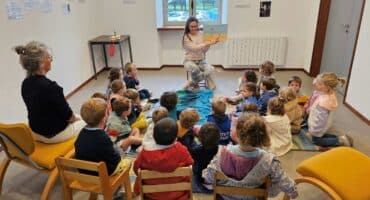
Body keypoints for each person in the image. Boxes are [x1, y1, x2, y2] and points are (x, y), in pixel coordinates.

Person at [202, 114, 298, 200]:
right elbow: (285, 183)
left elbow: (207, 178)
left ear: (237, 133)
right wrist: (293, 191)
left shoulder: (221, 153)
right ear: (262, 136)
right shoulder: (269, 161)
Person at [16, 41, 85, 143]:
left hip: (35, 132)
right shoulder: (52, 88)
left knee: (77, 118)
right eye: (48, 57)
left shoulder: (25, 84)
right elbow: (69, 116)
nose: (51, 60)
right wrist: (76, 120)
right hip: (53, 135)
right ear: (41, 63)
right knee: (87, 122)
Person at [133, 118, 194, 200]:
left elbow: (136, 169)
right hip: (179, 196)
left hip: (152, 196)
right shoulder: (181, 150)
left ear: (154, 136)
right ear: (175, 137)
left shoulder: (144, 153)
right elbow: (190, 163)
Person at [75, 98, 130, 176]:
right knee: (127, 162)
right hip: (102, 174)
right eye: (107, 113)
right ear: (104, 118)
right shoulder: (103, 138)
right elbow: (116, 159)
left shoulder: (81, 133)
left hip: (84, 172)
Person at [306, 72, 353, 147]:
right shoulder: (329, 93)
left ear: (327, 87)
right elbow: (317, 82)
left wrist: (313, 131)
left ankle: (339, 140)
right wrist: (319, 81)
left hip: (319, 125)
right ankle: (342, 138)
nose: (316, 84)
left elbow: (321, 120)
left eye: (319, 84)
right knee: (320, 134)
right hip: (325, 123)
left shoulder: (323, 103)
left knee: (316, 140)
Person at [182, 16, 219, 90]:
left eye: (195, 26)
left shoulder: (201, 34)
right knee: (195, 69)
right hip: (189, 60)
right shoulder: (186, 36)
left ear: (198, 25)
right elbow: (194, 48)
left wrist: (209, 44)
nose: (194, 28)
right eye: (191, 26)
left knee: (210, 69)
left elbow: (204, 50)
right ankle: (196, 84)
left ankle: (192, 82)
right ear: (188, 27)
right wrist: (207, 43)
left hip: (201, 60)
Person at [190, 123, 220, 192]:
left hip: (200, 179)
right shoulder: (221, 151)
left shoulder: (195, 151)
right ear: (219, 137)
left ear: (199, 138)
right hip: (215, 179)